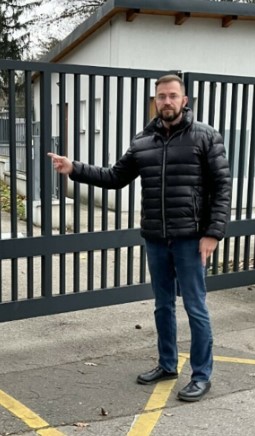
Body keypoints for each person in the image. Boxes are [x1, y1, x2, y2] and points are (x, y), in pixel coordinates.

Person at [48, 74, 231, 402]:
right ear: (155, 101)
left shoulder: (205, 137)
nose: (167, 102)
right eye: (161, 96)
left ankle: (202, 375)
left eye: (173, 95)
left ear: (184, 100)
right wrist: (74, 167)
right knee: (163, 306)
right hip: (156, 239)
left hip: (192, 239)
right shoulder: (143, 141)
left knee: (195, 307)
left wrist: (213, 234)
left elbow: (221, 188)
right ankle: (167, 364)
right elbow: (114, 177)